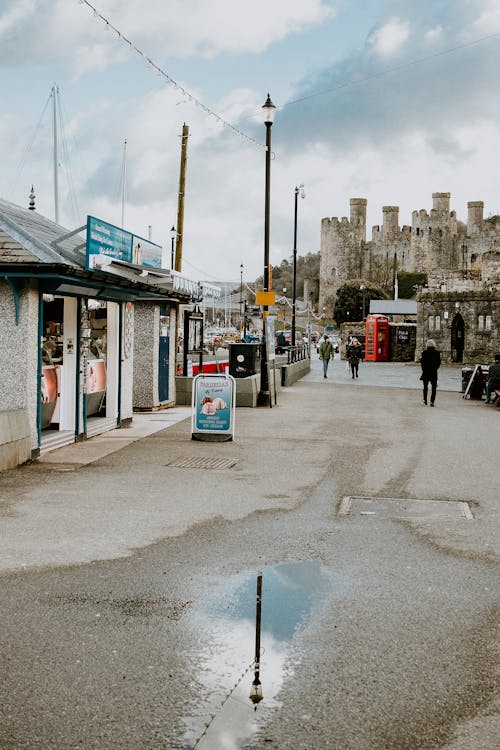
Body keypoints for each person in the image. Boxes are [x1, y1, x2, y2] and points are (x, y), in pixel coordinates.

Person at [420, 339, 441, 406]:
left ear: (427, 345)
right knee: (434, 388)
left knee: (425, 387)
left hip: (426, 372)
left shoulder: (424, 352)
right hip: (434, 372)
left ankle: (425, 400)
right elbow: (438, 363)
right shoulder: (437, 353)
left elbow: (422, 363)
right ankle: (432, 401)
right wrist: (435, 369)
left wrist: (423, 370)